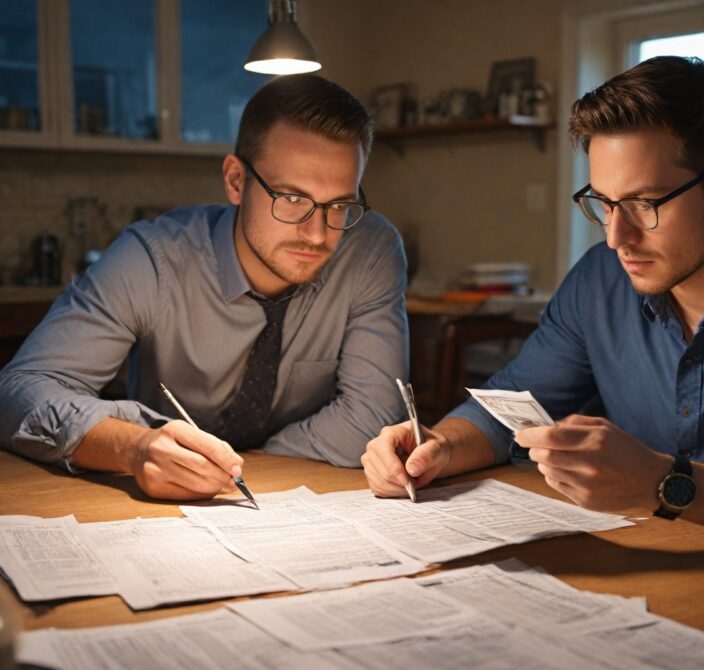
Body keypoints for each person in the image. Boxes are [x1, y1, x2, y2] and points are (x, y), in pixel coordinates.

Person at [361, 56, 704, 564]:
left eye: (646, 203)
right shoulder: (600, 281)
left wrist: (663, 485)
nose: (618, 236)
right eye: (604, 202)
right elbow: (509, 410)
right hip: (655, 575)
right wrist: (436, 446)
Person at [0, 74, 408, 501]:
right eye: (291, 198)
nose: (318, 234)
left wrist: (242, 465)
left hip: (302, 501)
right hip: (158, 508)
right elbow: (17, 393)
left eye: (340, 205)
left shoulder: (370, 251)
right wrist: (134, 446)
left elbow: (372, 417)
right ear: (235, 181)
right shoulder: (151, 260)